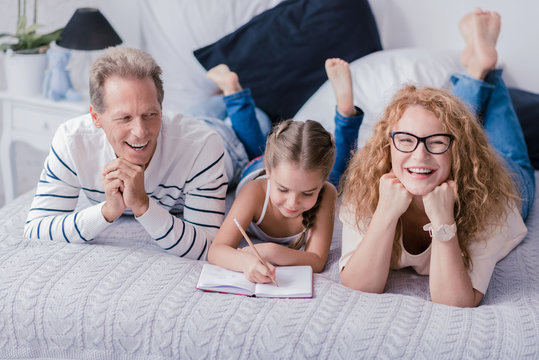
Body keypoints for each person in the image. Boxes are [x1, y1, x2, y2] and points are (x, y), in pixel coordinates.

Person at [338, 9, 535, 307]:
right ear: (386, 145)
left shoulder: (490, 202)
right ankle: (480, 64)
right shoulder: (366, 188)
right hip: (452, 154)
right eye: (405, 140)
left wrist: (443, 220)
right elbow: (359, 284)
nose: (419, 154)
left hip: (510, 174)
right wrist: (386, 213)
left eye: (437, 143)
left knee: (463, 125)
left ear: (458, 150)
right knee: (442, 118)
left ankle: (485, 67)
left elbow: (456, 301)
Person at [23, 47, 228, 260]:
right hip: (188, 121)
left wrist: (143, 206)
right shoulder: (72, 140)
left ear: (161, 107)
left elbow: (209, 247)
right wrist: (106, 212)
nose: (140, 132)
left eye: (150, 114)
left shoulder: (202, 145)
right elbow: (36, 229)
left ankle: (231, 91)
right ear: (96, 117)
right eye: (125, 118)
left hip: (229, 140)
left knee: (240, 117)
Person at [187, 58, 363, 188]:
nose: (292, 204)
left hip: (258, 160)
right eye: (284, 190)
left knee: (333, 179)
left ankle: (346, 115)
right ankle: (346, 114)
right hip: (260, 157)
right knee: (333, 180)